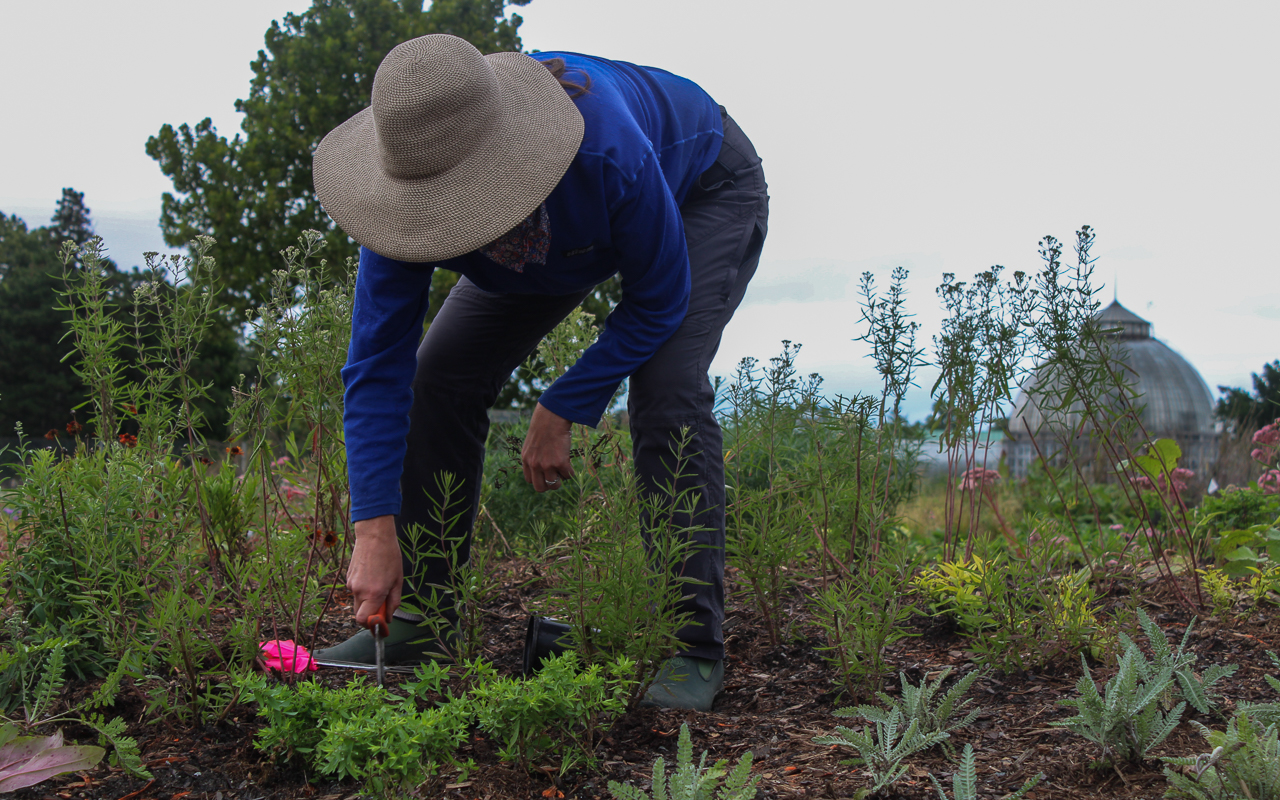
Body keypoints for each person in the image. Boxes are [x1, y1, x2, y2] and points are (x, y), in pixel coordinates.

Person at [310, 34, 768, 711]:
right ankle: (423, 620)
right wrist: (374, 530)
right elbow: (379, 368)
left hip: (700, 189)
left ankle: (693, 645)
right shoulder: (402, 194)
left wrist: (566, 402)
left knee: (667, 389)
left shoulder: (603, 150)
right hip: (549, 233)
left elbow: (660, 299)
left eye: (456, 198)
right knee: (438, 377)